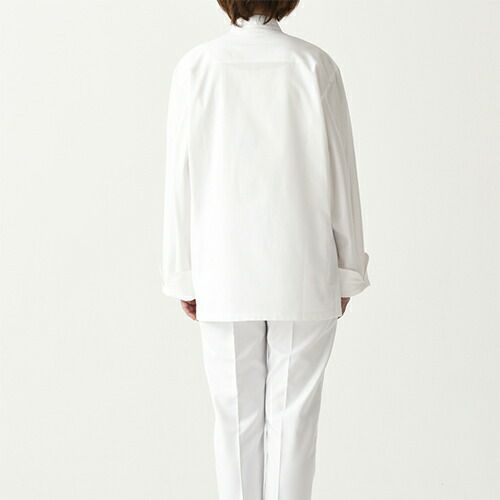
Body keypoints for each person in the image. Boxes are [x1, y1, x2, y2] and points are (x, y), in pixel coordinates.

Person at [161, 1, 370, 499]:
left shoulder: (197, 67)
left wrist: (182, 272)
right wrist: (347, 269)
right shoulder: (314, 65)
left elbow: (179, 181)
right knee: (294, 422)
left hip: (222, 267)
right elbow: (341, 176)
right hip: (303, 264)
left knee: (234, 421)